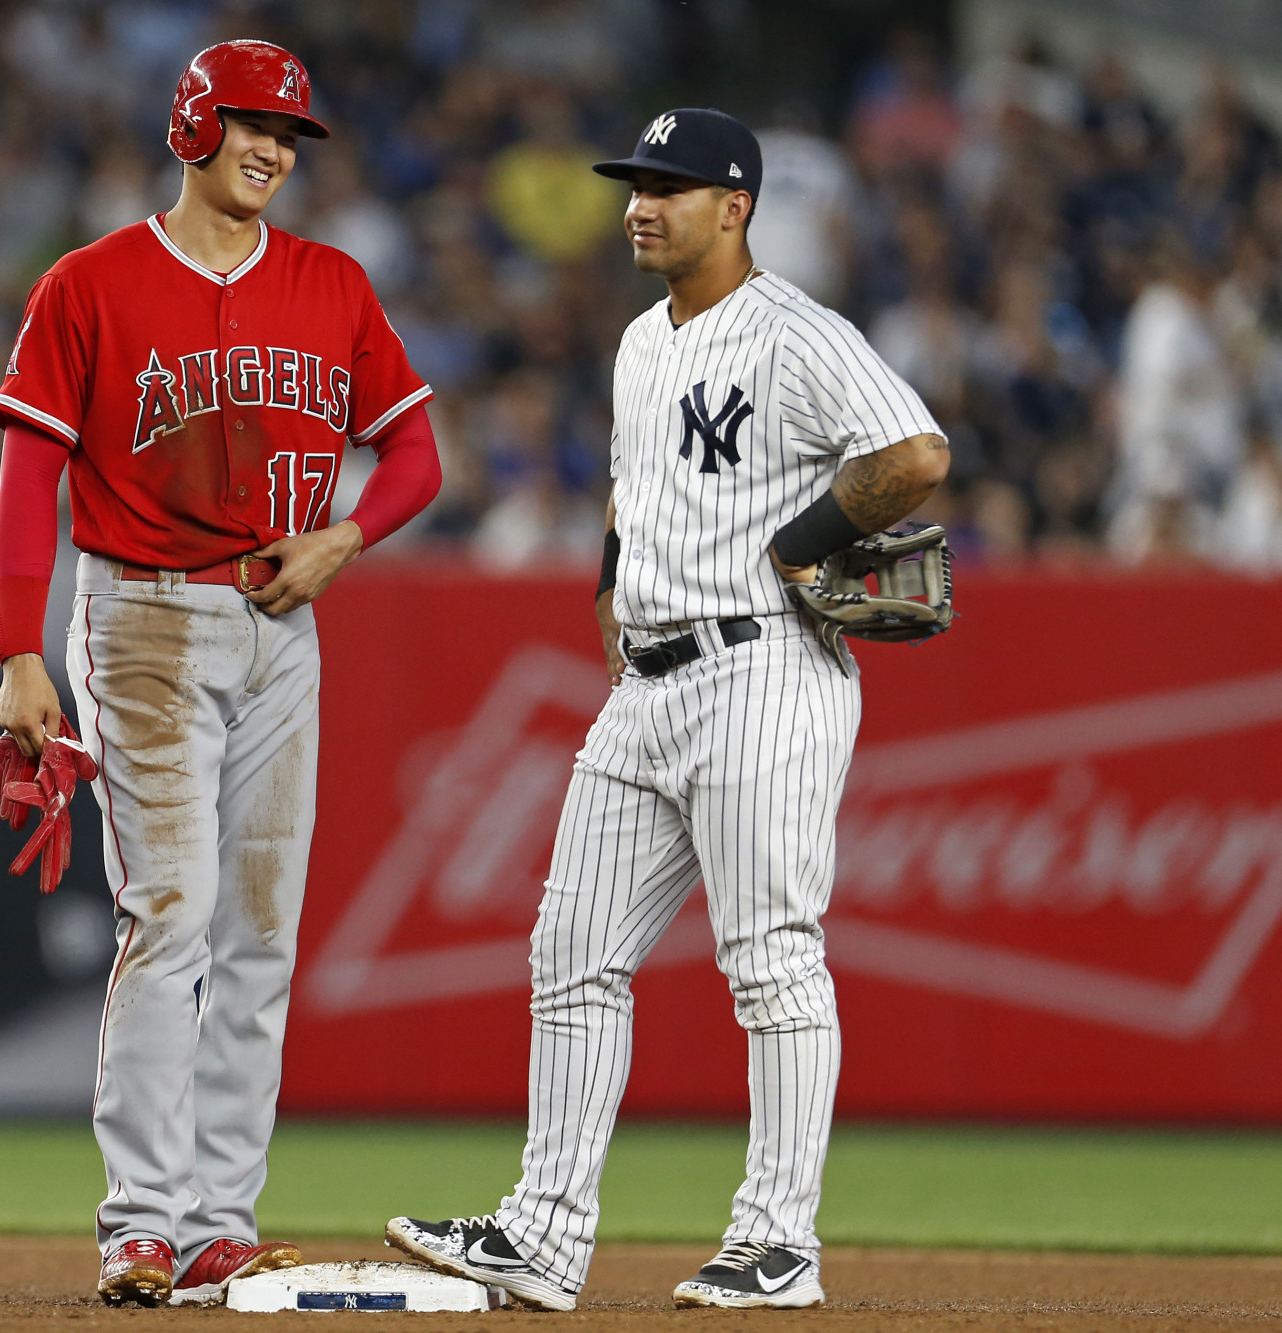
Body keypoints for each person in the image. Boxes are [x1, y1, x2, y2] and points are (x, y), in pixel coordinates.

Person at [386, 108, 948, 1311]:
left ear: (734, 205)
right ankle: (540, 1234)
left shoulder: (796, 333)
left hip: (763, 674)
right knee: (569, 954)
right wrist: (607, 593)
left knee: (767, 961)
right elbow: (630, 492)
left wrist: (802, 547)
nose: (640, 204)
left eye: (671, 186)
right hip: (646, 681)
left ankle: (776, 1239)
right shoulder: (639, 342)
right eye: (635, 184)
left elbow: (912, 452)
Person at [0, 40, 441, 1308]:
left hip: (278, 627)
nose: (273, 151)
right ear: (193, 123)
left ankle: (217, 1222)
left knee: (260, 934)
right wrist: (21, 651)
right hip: (137, 622)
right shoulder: (90, 283)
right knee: (171, 913)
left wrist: (347, 536)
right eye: (252, 125)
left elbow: (413, 455)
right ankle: (139, 1220)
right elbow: (28, 481)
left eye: (289, 136)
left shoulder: (331, 283)